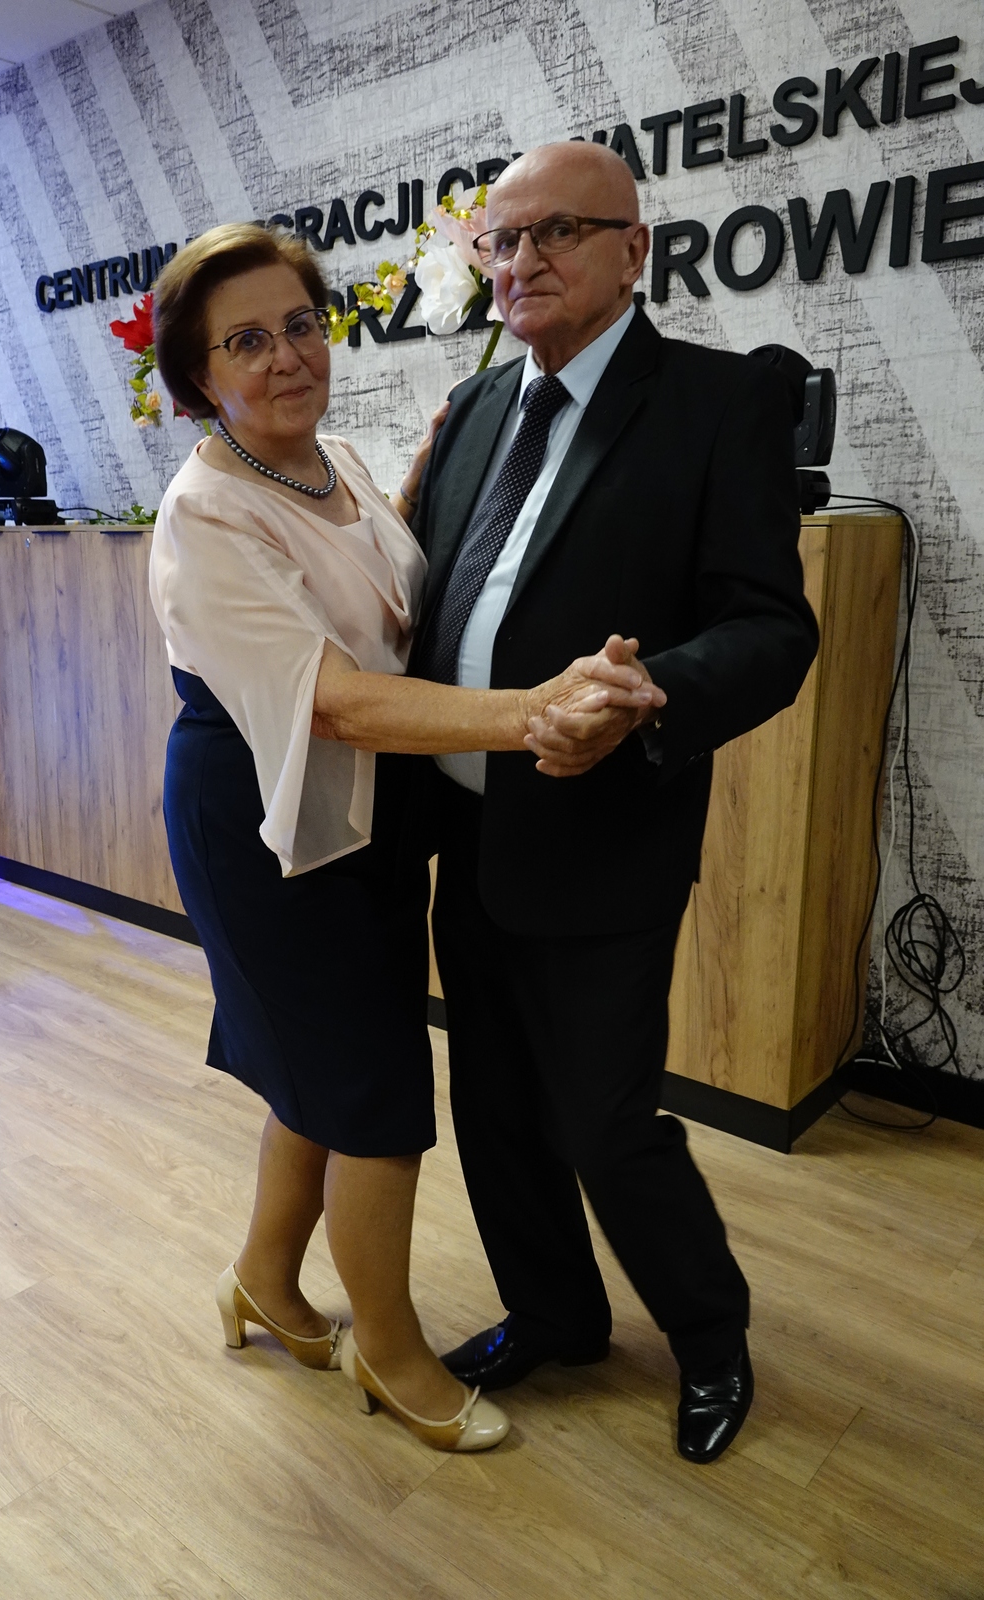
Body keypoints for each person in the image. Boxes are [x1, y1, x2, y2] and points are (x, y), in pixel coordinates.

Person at [147, 222, 658, 1456]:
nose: (286, 355)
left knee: (316, 1074)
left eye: (300, 324)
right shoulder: (205, 513)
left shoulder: (334, 463)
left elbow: (381, 600)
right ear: (199, 377)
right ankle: (389, 1349)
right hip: (269, 818)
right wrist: (531, 712)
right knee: (374, 1094)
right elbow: (332, 698)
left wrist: (424, 485)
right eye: (246, 341)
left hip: (367, 810)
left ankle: (263, 1281)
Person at [409, 143, 820, 1464]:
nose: (519, 261)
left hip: (601, 840)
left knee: (602, 1119)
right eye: (500, 240)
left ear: (633, 250)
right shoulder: (475, 406)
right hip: (464, 831)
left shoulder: (718, 401)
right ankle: (554, 1314)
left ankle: (708, 1336)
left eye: (556, 233)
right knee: (492, 1105)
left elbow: (770, 627)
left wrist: (657, 696)